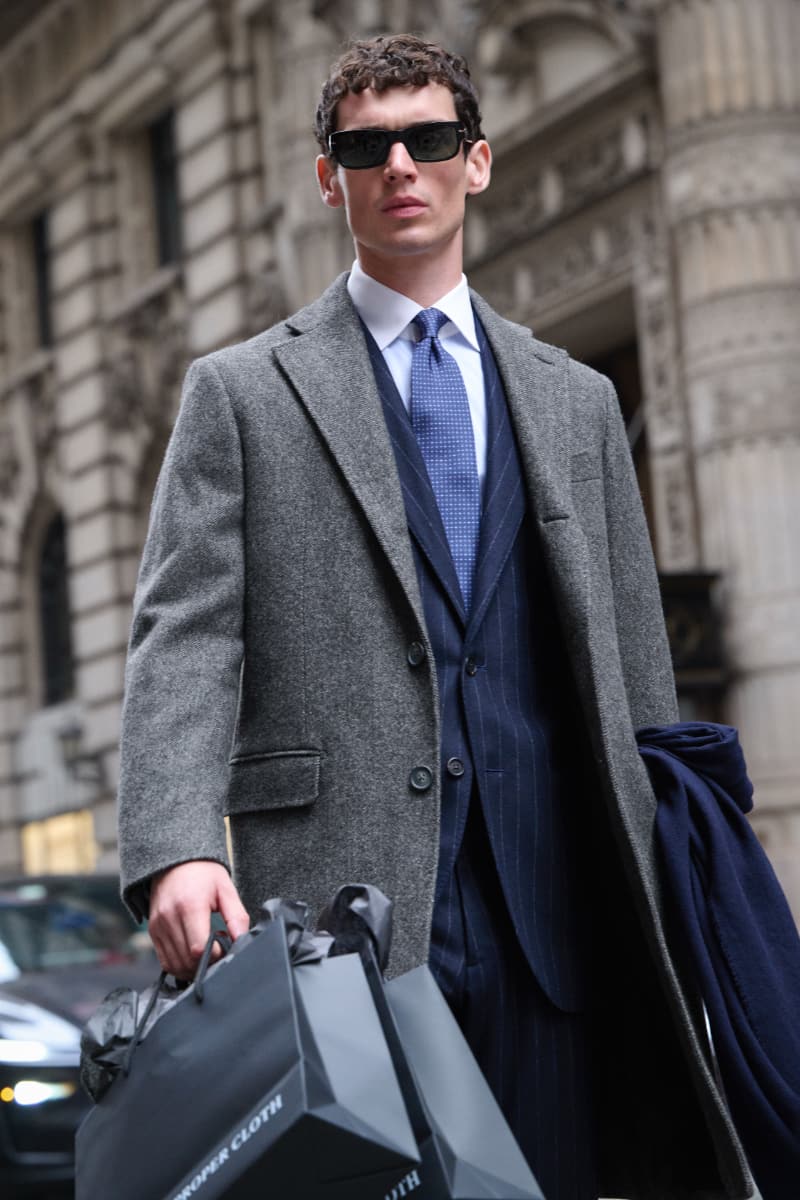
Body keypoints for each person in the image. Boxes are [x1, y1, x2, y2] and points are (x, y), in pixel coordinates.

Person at [117, 34, 752, 1200]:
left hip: (550, 922)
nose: (398, 164)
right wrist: (172, 843)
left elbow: (633, 659)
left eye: (428, 138)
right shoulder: (242, 392)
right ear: (329, 178)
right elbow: (186, 632)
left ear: (478, 160)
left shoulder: (576, 400)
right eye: (365, 146)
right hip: (336, 916)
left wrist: (682, 868)